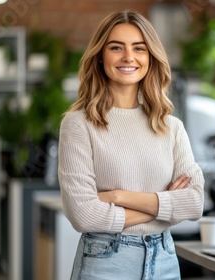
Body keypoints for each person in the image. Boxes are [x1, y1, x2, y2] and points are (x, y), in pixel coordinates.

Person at [58, 10, 205, 280]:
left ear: (150, 57)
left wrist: (117, 197)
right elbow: (84, 215)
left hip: (165, 259)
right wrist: (165, 206)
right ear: (101, 56)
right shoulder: (78, 124)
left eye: (139, 48)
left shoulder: (171, 127)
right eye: (116, 48)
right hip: (106, 259)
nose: (129, 57)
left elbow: (194, 203)